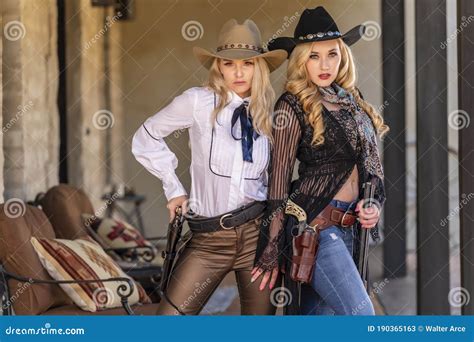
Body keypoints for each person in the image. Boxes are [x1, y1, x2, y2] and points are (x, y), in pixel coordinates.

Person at [131, 19, 287, 315]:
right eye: (229, 64)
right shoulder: (197, 102)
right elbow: (146, 136)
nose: (239, 72)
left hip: (257, 235)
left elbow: (272, 181)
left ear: (260, 67)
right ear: (219, 67)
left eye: (249, 63)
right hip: (209, 239)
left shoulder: (268, 112)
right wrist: (173, 189)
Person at [251, 6, 389, 315]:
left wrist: (374, 204)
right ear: (301, 60)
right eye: (313, 56)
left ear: (343, 56)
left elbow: (370, 165)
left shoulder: (352, 98)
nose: (324, 64)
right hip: (315, 228)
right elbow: (279, 176)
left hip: (353, 226)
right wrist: (271, 245)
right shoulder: (291, 104)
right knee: (360, 314)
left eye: (332, 54)